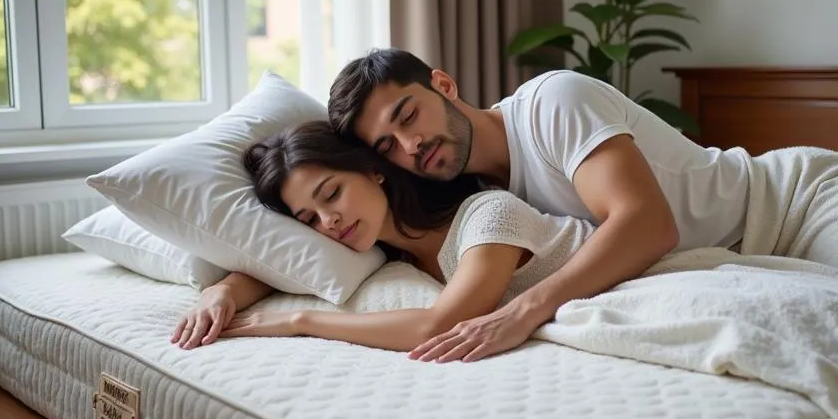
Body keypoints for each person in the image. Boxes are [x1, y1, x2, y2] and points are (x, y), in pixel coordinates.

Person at [323, 48, 838, 360]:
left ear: (443, 84)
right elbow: (351, 229)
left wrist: (525, 313)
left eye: (409, 115)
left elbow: (647, 225)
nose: (412, 145)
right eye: (389, 146)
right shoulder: (477, 198)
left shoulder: (552, 104)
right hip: (741, 263)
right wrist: (242, 290)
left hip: (801, 203)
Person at [170, 121, 596, 357]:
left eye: (332, 193)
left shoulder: (488, 214)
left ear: (373, 169)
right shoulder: (380, 250)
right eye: (309, 218)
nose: (329, 221)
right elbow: (281, 265)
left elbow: (438, 324)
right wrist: (222, 290)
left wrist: (300, 322)